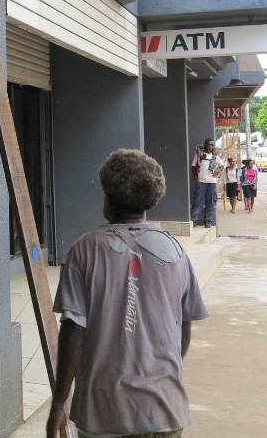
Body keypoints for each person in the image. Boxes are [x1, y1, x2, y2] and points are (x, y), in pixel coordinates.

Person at [48, 149, 210, 438]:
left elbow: (73, 332)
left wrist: (59, 404)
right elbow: (183, 333)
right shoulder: (175, 251)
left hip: (103, 413)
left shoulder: (83, 251)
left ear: (108, 196)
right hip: (165, 410)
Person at [190, 138, 223, 228]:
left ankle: (208, 221)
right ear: (204, 145)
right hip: (201, 182)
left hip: (211, 183)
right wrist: (195, 178)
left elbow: (222, 165)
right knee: (197, 201)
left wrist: (216, 172)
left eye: (212, 145)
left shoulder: (215, 156)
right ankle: (193, 220)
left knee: (211, 202)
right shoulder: (199, 154)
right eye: (209, 144)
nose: (210, 146)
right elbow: (193, 166)